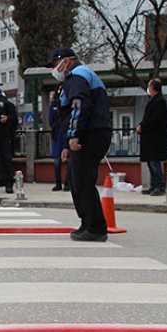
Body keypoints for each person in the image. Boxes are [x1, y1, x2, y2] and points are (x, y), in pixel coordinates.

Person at [48, 48, 112, 242]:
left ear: (66, 61)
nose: (54, 70)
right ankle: (87, 222)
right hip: (91, 133)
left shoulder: (77, 76)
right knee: (76, 180)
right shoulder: (81, 76)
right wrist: (68, 144)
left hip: (89, 134)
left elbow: (79, 105)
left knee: (82, 181)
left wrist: (74, 135)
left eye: (55, 65)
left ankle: (95, 227)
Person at [137, 78, 167, 196]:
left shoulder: (160, 101)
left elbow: (155, 119)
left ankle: (159, 186)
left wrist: (143, 126)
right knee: (150, 163)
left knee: (155, 163)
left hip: (155, 137)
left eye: (149, 86)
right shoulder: (154, 100)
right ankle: (153, 185)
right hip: (150, 137)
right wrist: (142, 125)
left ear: (153, 88)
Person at [48, 86, 69, 192]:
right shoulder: (54, 105)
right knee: (57, 162)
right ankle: (58, 183)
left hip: (67, 134)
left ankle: (68, 183)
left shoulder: (69, 103)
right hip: (57, 135)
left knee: (69, 161)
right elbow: (50, 119)